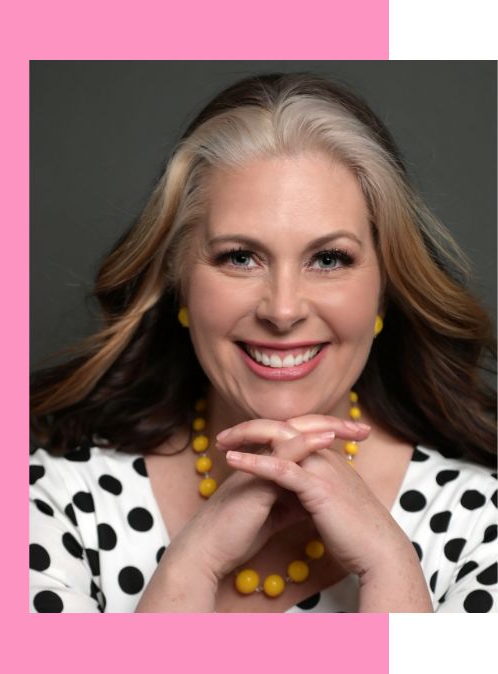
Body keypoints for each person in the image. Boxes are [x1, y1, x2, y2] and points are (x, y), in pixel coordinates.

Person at [29, 73, 497, 613]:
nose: (282, 309)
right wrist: (191, 565)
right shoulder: (53, 507)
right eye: (239, 257)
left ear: (384, 293)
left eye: (329, 259)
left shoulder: (481, 525)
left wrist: (391, 568)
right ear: (178, 282)